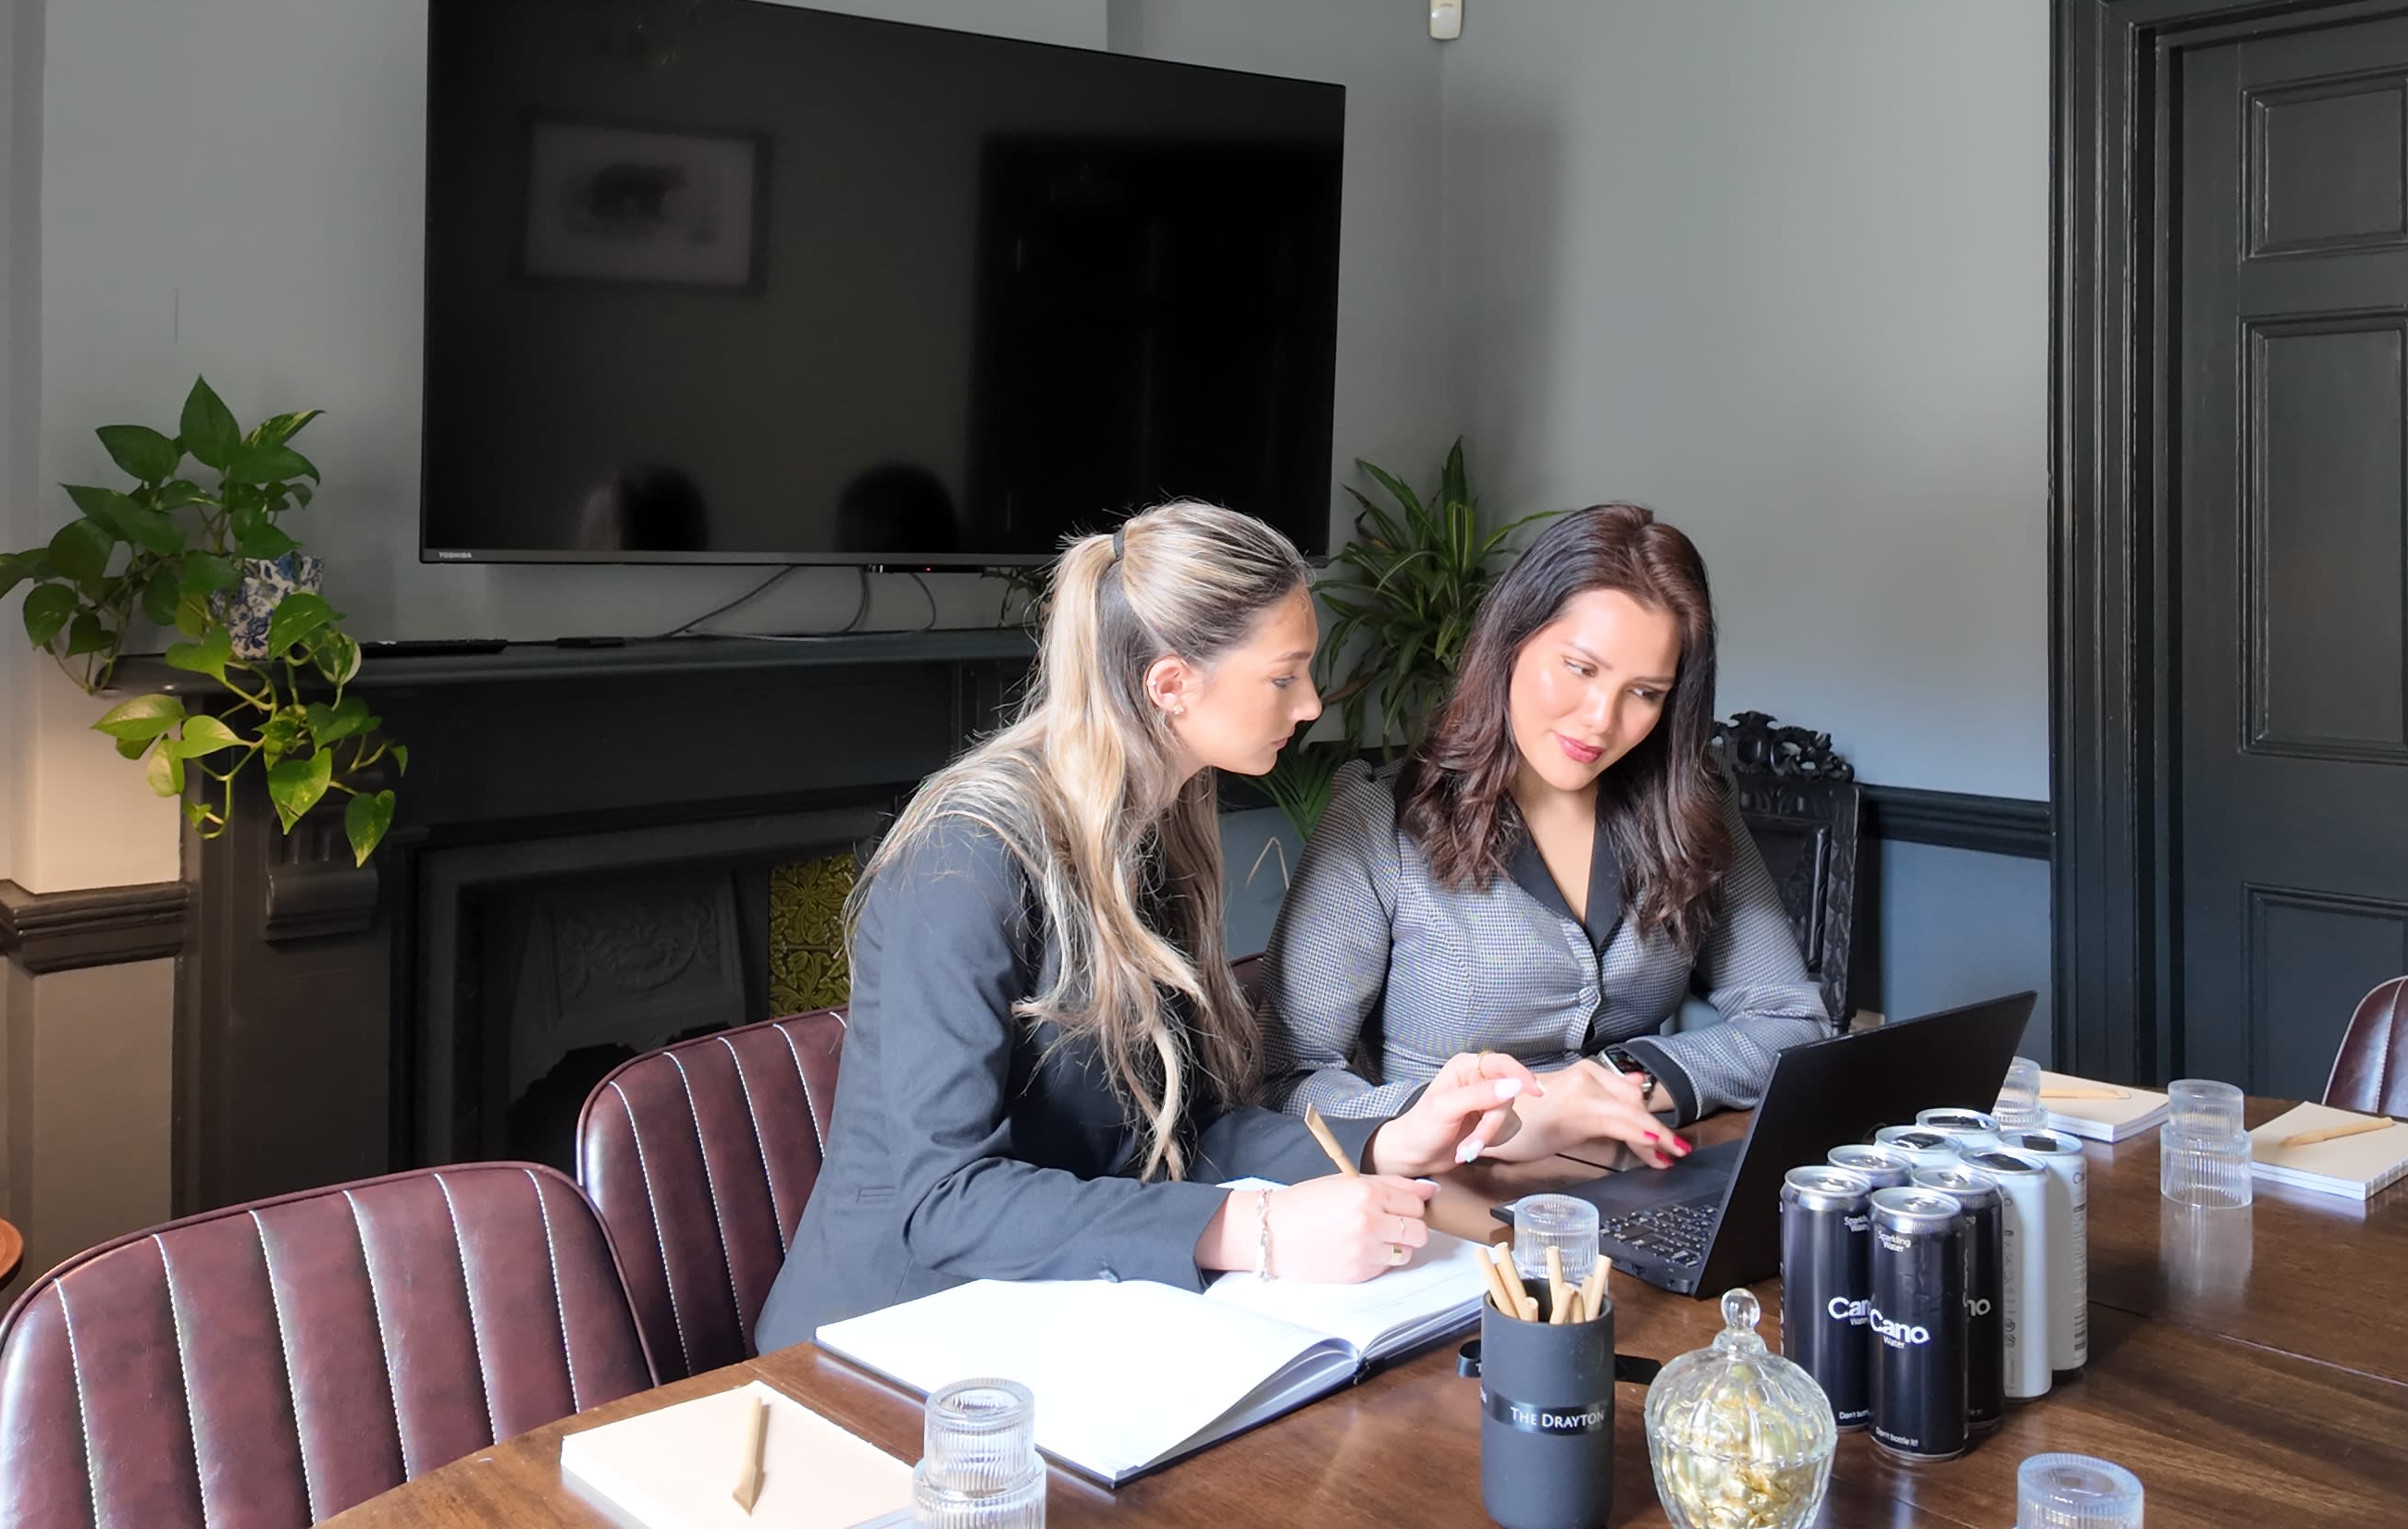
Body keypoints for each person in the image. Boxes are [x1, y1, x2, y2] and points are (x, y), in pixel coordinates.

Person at [754, 501, 1639, 1349]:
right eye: (1284, 676)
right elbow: (942, 1201)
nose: (1311, 705)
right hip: (892, 1334)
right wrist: (1255, 1227)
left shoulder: (1162, 828)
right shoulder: (963, 860)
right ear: (1172, 684)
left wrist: (1389, 1140)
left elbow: (1189, 1129)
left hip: (1067, 1306)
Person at [1263, 503, 1831, 1163]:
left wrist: (1619, 1085)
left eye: (1644, 693)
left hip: (1640, 1184)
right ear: (1512, 640)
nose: (1600, 719)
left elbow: (1791, 1021)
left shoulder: (1694, 810)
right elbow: (1289, 1078)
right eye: (1581, 669)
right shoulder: (1377, 822)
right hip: (1444, 1205)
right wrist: (1501, 1118)